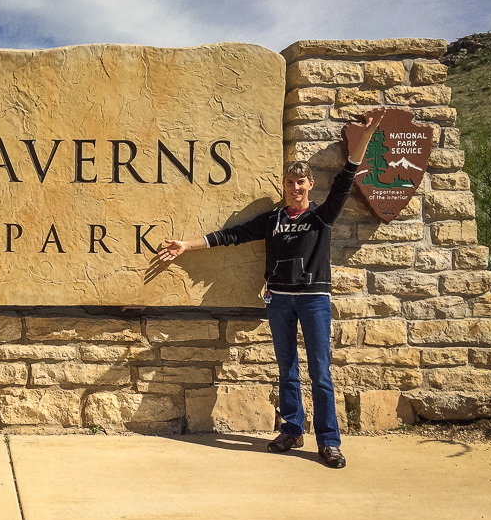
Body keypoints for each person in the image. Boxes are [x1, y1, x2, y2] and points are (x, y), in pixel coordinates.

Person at [157, 114, 382, 469]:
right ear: (285, 185)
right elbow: (229, 235)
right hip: (278, 300)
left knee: (320, 372)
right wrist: (186, 245)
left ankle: (329, 442)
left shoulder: (320, 218)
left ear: (309, 185)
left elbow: (343, 181)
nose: (296, 188)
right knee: (287, 368)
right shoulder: (273, 220)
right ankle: (292, 429)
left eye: (301, 183)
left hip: (313, 301)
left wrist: (364, 139)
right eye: (291, 183)